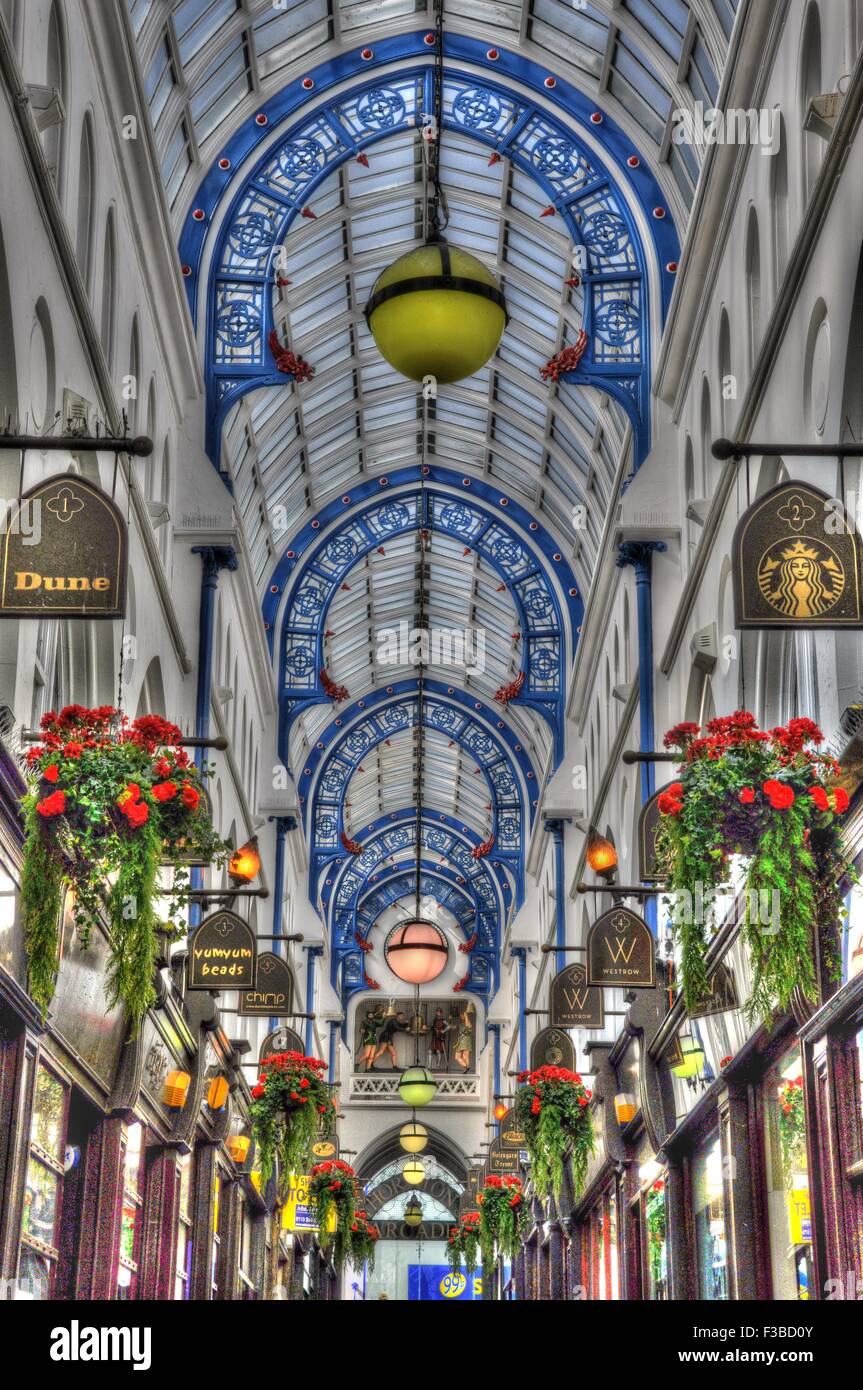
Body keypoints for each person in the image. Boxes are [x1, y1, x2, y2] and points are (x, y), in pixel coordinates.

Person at [359, 1002, 385, 1071]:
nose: (371, 1016)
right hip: (368, 1037)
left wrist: (383, 1017)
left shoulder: (374, 1022)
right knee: (366, 1055)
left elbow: (381, 1023)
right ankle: (357, 1064)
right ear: (367, 1015)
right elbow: (361, 1029)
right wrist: (362, 1030)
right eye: (369, 1015)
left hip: (373, 1038)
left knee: (371, 1056)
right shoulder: (364, 1021)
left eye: (371, 1015)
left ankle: (368, 1068)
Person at [453, 1003, 474, 1072]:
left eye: (462, 1015)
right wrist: (450, 1019)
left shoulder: (467, 1023)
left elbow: (469, 1028)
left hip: (465, 1039)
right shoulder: (460, 1024)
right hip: (460, 1040)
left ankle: (466, 1067)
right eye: (461, 1016)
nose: (461, 1017)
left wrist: (466, 1015)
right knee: (457, 1057)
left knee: (465, 1055)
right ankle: (466, 1066)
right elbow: (452, 1026)